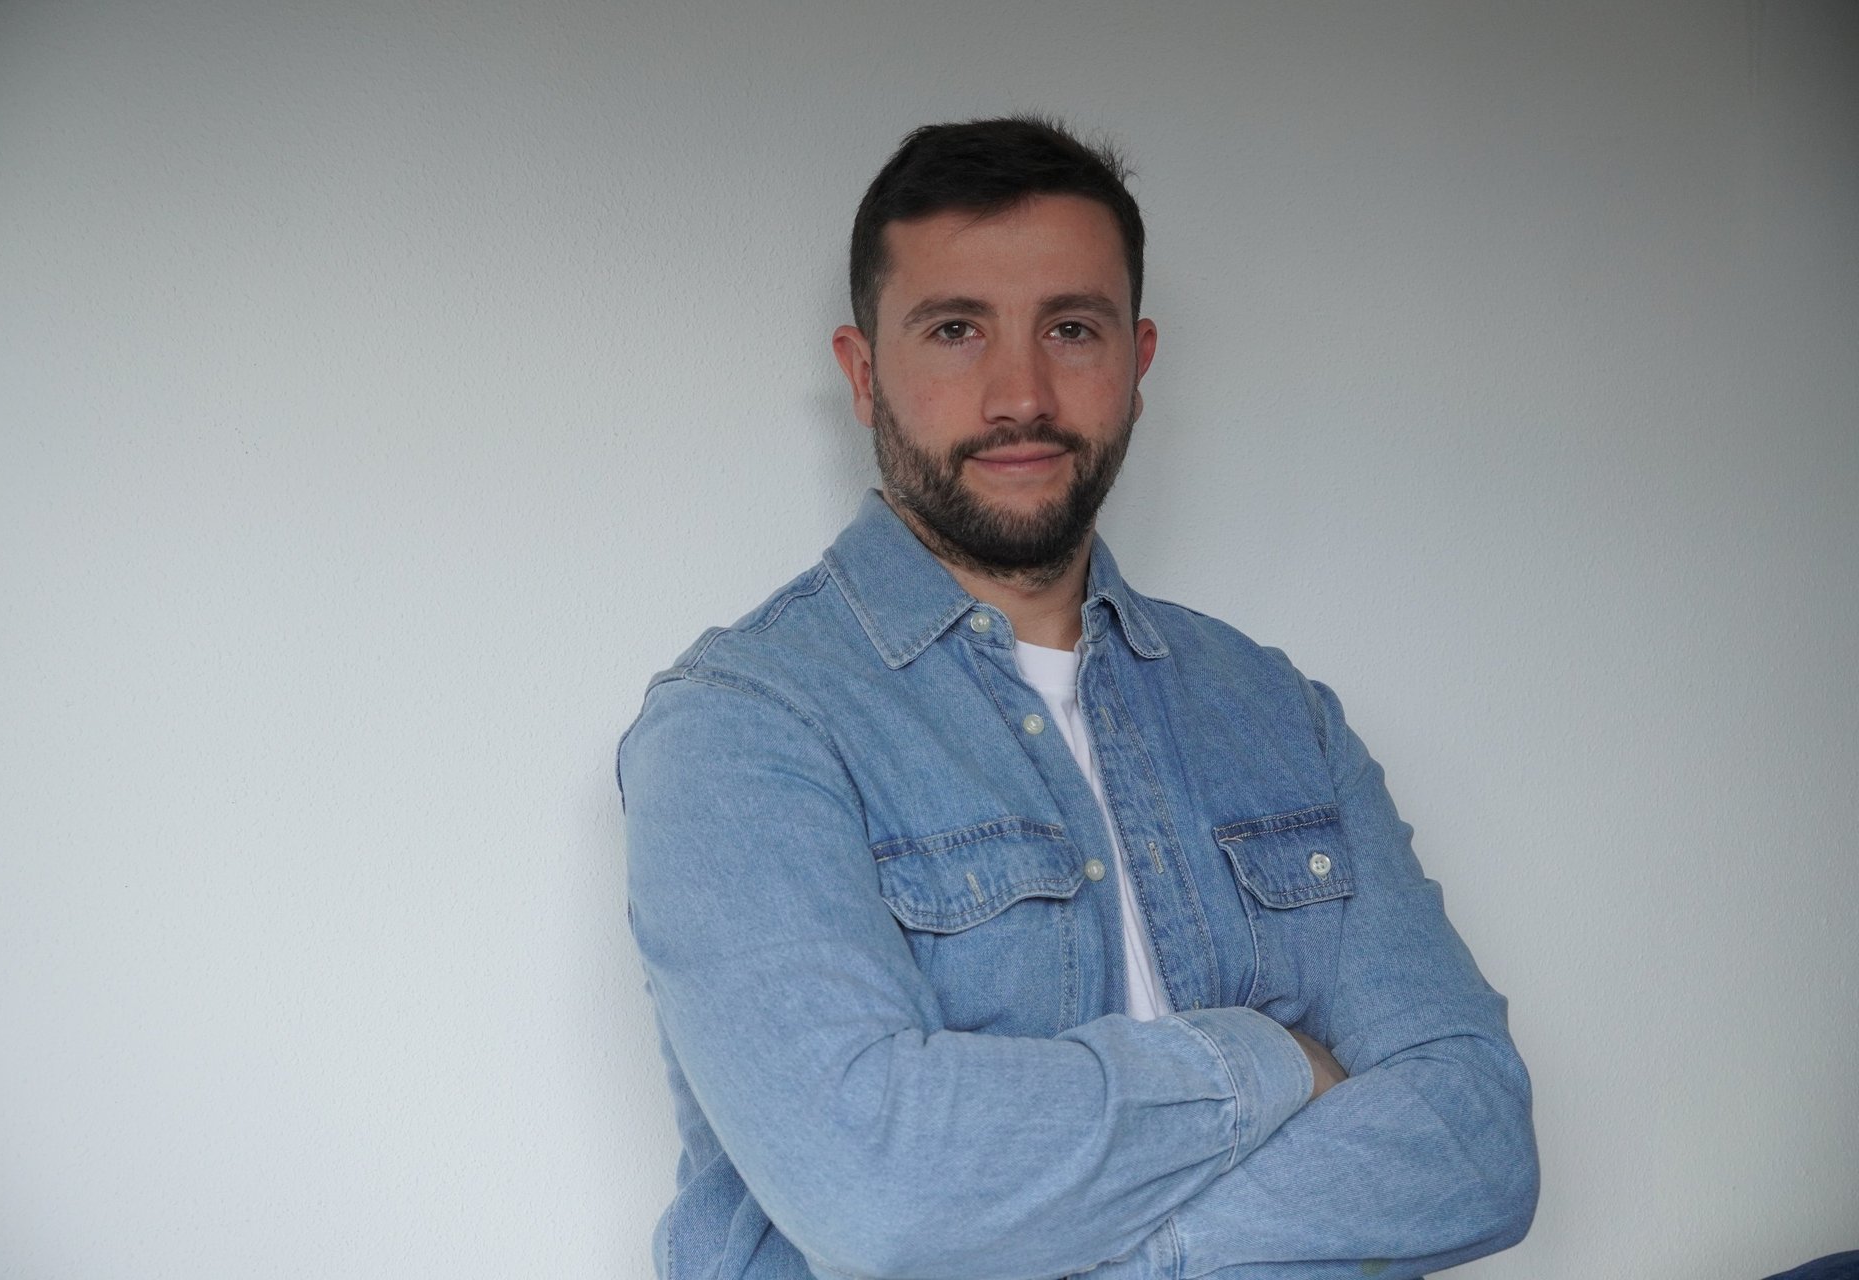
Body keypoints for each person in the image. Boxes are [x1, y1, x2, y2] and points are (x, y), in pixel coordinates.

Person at [619, 115, 1539, 1280]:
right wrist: (1266, 1059)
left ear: (1138, 362)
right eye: (956, 329)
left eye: (1071, 327)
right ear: (864, 374)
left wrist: (1094, 1244)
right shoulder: (741, 726)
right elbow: (882, 1188)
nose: (1022, 392)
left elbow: (1476, 1141)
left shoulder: (1276, 713)